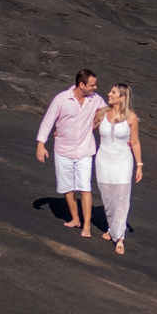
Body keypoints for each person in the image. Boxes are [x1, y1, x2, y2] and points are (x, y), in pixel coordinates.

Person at [36, 69, 107, 238]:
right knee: (67, 187)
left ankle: (87, 226)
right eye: (92, 85)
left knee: (85, 188)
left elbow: (110, 113)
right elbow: (48, 121)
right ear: (81, 84)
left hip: (85, 150)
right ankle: (76, 219)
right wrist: (41, 144)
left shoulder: (96, 100)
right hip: (63, 150)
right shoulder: (61, 99)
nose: (95, 88)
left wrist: (100, 121)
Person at [93, 83, 142, 255]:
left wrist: (139, 165)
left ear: (122, 98)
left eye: (113, 92)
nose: (109, 94)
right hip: (103, 160)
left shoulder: (131, 117)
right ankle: (112, 228)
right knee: (107, 198)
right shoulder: (101, 113)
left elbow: (135, 142)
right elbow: (85, 129)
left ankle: (119, 237)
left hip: (123, 161)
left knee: (121, 198)